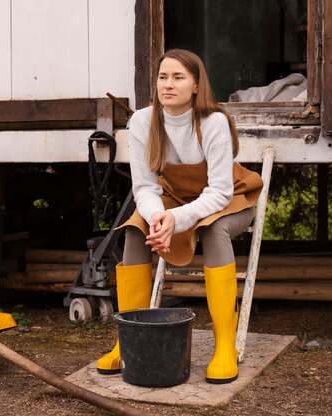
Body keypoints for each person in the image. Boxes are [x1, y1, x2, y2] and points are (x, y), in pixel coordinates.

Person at [96, 49, 263, 384]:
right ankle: (127, 340)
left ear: (197, 85)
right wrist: (158, 217)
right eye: (162, 77)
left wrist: (177, 220)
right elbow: (144, 187)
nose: (167, 84)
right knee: (134, 228)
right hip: (171, 198)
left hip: (229, 199)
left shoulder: (213, 122)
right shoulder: (143, 121)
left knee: (214, 230)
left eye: (178, 77)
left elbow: (218, 193)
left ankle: (225, 346)